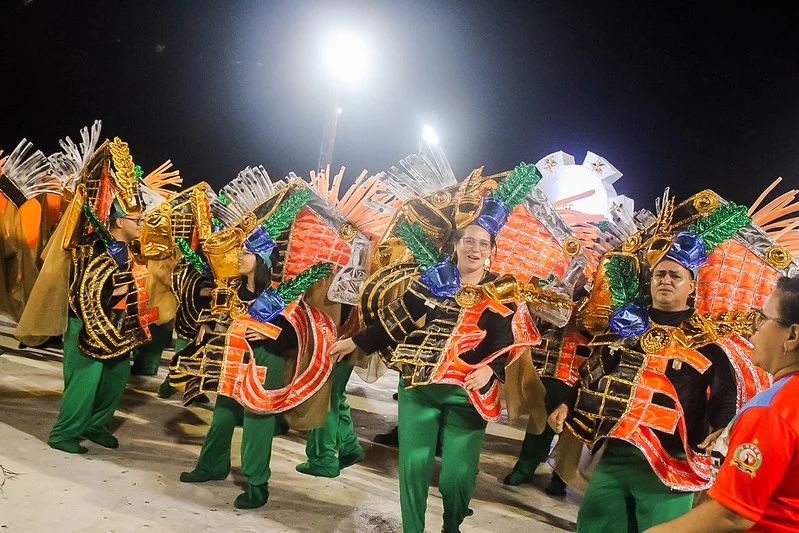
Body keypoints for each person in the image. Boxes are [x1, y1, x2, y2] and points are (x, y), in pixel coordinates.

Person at [329, 224, 515, 533]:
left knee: (458, 475)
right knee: (413, 468)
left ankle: (451, 525)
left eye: (484, 243)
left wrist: (492, 370)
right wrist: (357, 342)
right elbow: (397, 316)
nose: (476, 248)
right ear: (456, 244)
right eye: (469, 240)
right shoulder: (435, 279)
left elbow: (507, 339)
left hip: (467, 395)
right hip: (419, 386)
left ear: (490, 251)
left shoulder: (502, 289)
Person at [549, 253, 738, 532]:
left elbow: (724, 392)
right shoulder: (628, 327)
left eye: (676, 276)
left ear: (692, 285)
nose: (666, 281)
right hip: (615, 453)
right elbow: (596, 373)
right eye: (660, 275)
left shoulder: (708, 340)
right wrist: (567, 403)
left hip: (672, 463)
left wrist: (722, 427)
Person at [644, 275, 799, 533]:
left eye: (762, 319)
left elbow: (731, 515)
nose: (753, 329)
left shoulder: (772, 411)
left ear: (792, 335)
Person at [179, 247, 287, 509]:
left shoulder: (279, 292)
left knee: (256, 426)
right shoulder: (232, 286)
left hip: (264, 361)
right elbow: (217, 308)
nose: (239, 257)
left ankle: (257, 485)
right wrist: (206, 324)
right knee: (222, 417)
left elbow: (295, 331)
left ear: (261, 259)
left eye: (247, 253)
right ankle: (211, 466)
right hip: (232, 360)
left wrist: (269, 333)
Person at [48, 201, 148, 454]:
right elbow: (83, 290)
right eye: (137, 220)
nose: (142, 225)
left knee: (116, 378)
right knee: (84, 382)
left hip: (119, 327)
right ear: (119, 222)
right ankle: (63, 434)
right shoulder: (94, 246)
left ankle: (97, 426)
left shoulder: (132, 249)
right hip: (86, 324)